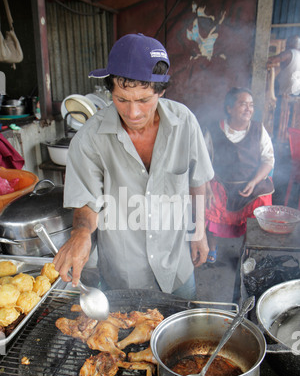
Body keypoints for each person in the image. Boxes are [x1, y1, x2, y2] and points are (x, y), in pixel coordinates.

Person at [53, 33, 214, 300]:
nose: (133, 113)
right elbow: (87, 203)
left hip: (176, 268)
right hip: (123, 277)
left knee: (185, 338)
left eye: (143, 100)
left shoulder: (184, 123)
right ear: (110, 92)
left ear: (161, 91)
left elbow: (197, 181)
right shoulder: (90, 138)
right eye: (122, 99)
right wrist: (81, 232)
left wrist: (199, 233)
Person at [205, 87, 275, 263]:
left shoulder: (259, 130)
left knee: (261, 203)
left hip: (251, 184)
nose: (248, 109)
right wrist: (206, 187)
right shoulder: (214, 131)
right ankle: (211, 248)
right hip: (222, 182)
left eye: (251, 105)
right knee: (208, 202)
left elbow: (268, 160)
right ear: (229, 108)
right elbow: (202, 161)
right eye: (243, 104)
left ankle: (246, 252)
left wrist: (254, 181)